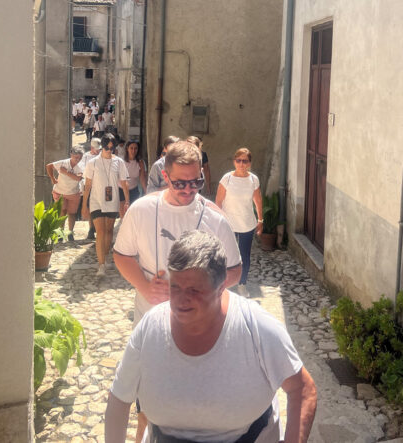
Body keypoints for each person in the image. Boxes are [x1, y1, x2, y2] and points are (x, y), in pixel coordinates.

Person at [105, 231, 317, 443]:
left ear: (221, 287)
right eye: (175, 286)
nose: (180, 299)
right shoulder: (150, 329)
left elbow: (302, 389)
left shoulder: (257, 327)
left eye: (194, 290)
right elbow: (119, 399)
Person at [112, 139, 243, 443]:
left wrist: (203, 292)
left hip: (202, 329)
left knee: (198, 398)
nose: (188, 189)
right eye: (180, 183)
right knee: (149, 396)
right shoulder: (141, 210)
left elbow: (234, 271)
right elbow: (122, 255)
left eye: (196, 182)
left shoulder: (215, 219)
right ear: (165, 177)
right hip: (151, 321)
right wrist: (146, 287)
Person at [216, 147, 264, 291]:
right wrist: (218, 220)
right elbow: (218, 202)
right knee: (226, 255)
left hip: (246, 224)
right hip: (228, 224)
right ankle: (225, 285)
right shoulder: (227, 179)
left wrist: (260, 220)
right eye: (238, 160)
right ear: (234, 162)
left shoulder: (253, 179)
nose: (241, 164)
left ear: (249, 163)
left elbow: (258, 201)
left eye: (244, 161)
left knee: (245, 256)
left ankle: (242, 284)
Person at [82, 133, 130, 276]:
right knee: (100, 232)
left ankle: (106, 255)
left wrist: (127, 201)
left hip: (112, 200)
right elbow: (88, 185)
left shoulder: (119, 162)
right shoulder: (93, 163)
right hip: (96, 200)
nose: (109, 150)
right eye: (107, 148)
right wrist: (84, 205)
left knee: (109, 231)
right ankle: (101, 264)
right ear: (102, 147)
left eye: (112, 148)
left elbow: (124, 183)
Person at [46, 147, 83, 242]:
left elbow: (78, 178)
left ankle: (70, 232)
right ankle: (60, 233)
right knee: (62, 212)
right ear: (71, 155)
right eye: (76, 157)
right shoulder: (63, 163)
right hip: (60, 191)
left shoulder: (81, 165)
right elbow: (49, 166)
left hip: (73, 193)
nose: (77, 160)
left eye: (79, 157)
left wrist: (65, 172)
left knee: (72, 213)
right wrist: (52, 178)